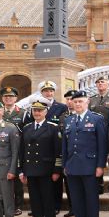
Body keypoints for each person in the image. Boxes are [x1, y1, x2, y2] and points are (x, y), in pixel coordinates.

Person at [63, 90, 108, 217]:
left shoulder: (96, 119)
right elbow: (65, 145)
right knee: (76, 201)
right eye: (75, 102)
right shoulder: (69, 120)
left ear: (87, 102)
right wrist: (65, 164)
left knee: (91, 200)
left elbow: (102, 144)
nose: (77, 104)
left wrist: (100, 165)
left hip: (90, 166)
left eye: (80, 101)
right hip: (73, 166)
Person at [19, 97, 62, 217]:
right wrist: (22, 170)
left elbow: (58, 152)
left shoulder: (53, 128)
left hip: (47, 170)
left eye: (40, 110)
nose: (37, 113)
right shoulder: (27, 128)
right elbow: (22, 151)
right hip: (31, 170)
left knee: (48, 200)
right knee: (35, 200)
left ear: (46, 112)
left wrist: (56, 171)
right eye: (35, 110)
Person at [36, 80, 68, 210]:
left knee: (56, 178)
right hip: (40, 146)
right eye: (45, 91)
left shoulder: (61, 107)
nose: (48, 93)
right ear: (41, 93)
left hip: (55, 145)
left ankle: (56, 204)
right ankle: (41, 205)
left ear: (54, 92)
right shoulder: (36, 107)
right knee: (41, 179)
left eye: (50, 91)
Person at [0, 86, 27, 216]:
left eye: (11, 96)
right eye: (6, 96)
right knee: (3, 179)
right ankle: (4, 205)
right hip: (2, 150)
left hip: (17, 149)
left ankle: (18, 205)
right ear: (2, 98)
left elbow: (26, 132)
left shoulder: (22, 113)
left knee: (16, 179)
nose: (8, 98)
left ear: (16, 98)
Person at [58, 89, 76, 217]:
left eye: (72, 99)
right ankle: (72, 207)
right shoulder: (63, 116)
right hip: (67, 156)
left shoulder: (89, 115)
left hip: (81, 156)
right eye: (68, 99)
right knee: (69, 185)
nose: (70, 102)